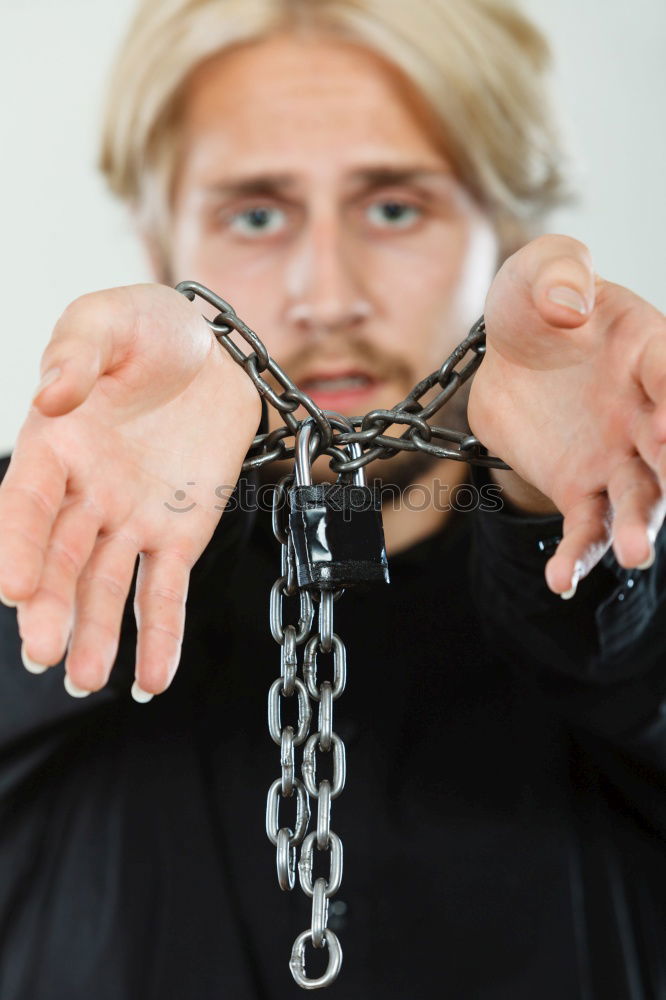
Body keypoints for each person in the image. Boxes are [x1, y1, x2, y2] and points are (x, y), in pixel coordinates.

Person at [0, 0, 664, 997]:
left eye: (395, 206)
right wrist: (52, 522)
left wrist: (577, 518)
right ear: (157, 241)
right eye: (256, 214)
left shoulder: (624, 629)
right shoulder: (50, 624)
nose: (326, 292)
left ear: (505, 229)